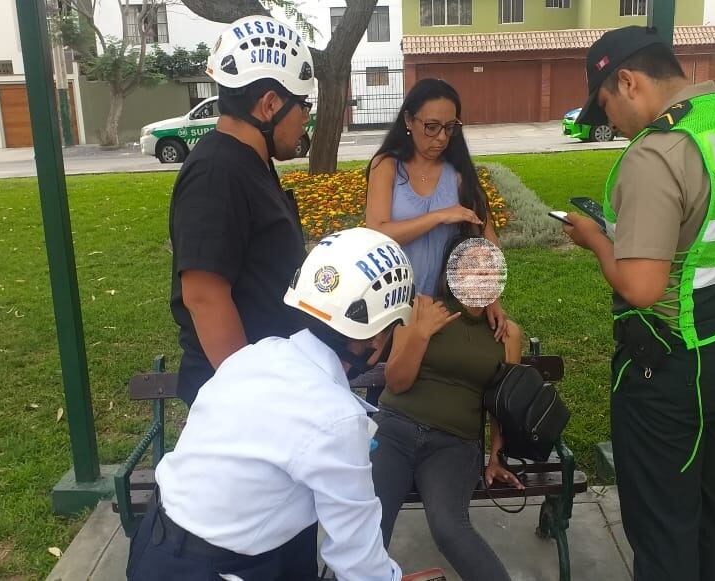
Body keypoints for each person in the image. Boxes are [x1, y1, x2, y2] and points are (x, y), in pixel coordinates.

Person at [562, 26, 715, 581]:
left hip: (670, 371)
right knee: (710, 501)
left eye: (607, 106)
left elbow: (640, 287)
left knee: (663, 525)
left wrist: (595, 239)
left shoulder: (658, 153)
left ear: (628, 80)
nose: (609, 124)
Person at [128, 228, 415, 580]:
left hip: (155, 543)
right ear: (378, 336)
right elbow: (358, 561)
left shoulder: (256, 355)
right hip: (216, 568)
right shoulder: (336, 417)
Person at [168, 15, 316, 406]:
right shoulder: (216, 172)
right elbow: (204, 295)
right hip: (241, 401)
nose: (306, 119)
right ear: (270, 105)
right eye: (304, 105)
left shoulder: (251, 162)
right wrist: (250, 399)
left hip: (273, 378)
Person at [371, 236, 524, 581]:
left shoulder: (507, 334)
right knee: (370, 526)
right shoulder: (422, 310)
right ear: (452, 271)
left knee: (450, 528)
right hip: (396, 429)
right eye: (470, 264)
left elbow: (503, 404)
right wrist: (421, 334)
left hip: (454, 444)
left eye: (488, 266)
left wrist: (497, 456)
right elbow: (395, 382)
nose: (480, 272)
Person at [365, 78, 508, 342]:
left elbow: (488, 242)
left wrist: (491, 297)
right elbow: (377, 233)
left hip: (448, 308)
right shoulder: (386, 166)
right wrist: (439, 216)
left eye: (450, 127)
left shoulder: (458, 173)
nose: (442, 137)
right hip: (394, 306)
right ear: (409, 120)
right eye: (431, 127)